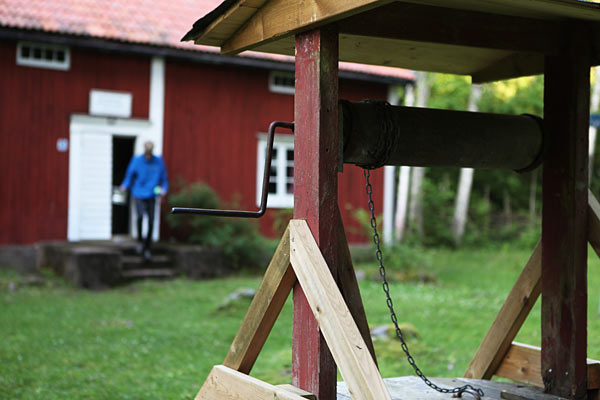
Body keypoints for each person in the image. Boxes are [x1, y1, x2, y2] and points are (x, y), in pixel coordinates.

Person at [120, 141, 168, 261]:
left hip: (152, 194)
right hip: (138, 193)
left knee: (151, 221)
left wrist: (164, 190)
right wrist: (124, 185)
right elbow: (129, 176)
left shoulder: (158, 161)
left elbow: (164, 179)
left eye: (150, 153)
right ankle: (140, 242)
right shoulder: (137, 160)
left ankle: (148, 246)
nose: (148, 155)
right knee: (140, 217)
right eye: (147, 152)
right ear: (144, 151)